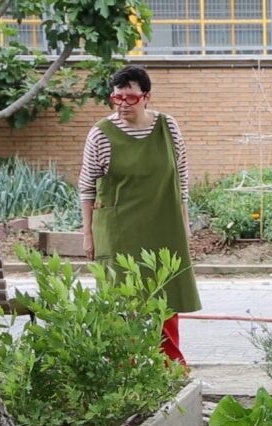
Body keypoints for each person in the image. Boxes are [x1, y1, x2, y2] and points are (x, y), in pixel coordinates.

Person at [78, 65, 201, 366]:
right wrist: (88, 234)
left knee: (167, 295)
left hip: (164, 223)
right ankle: (126, 367)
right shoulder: (101, 134)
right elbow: (86, 187)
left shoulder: (167, 127)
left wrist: (184, 224)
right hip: (119, 229)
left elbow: (181, 178)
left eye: (129, 98)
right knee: (122, 300)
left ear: (146, 97)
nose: (122, 105)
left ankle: (171, 366)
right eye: (117, 98)